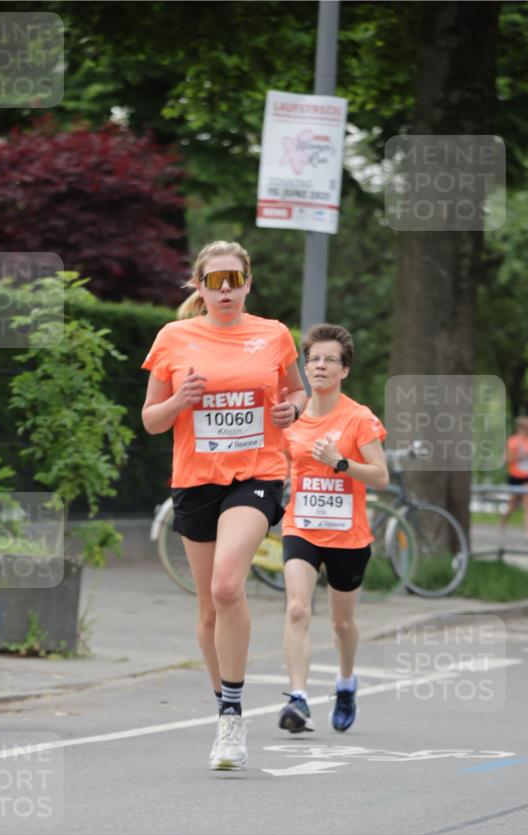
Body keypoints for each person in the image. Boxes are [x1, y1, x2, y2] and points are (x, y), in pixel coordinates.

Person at [141, 240, 306, 770]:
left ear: (248, 283)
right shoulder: (174, 337)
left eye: (235, 279)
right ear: (199, 286)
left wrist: (290, 412)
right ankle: (224, 710)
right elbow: (151, 419)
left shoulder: (274, 334)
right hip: (195, 480)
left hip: (256, 474)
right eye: (215, 281)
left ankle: (233, 718)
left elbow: (298, 394)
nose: (226, 289)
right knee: (209, 606)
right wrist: (178, 401)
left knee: (227, 584)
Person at [278, 324, 389, 735]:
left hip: (348, 535)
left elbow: (380, 477)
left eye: (329, 360)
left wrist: (341, 462)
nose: (320, 366)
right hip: (301, 528)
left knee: (342, 624)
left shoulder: (359, 419)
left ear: (344, 371)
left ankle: (345, 683)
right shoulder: (293, 418)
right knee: (297, 608)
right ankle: (298, 698)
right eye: (314, 360)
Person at [500, 416, 528, 543]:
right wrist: (520, 456)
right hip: (515, 476)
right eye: (527, 427)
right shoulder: (513, 441)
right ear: (520, 427)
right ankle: (503, 522)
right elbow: (506, 459)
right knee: (513, 505)